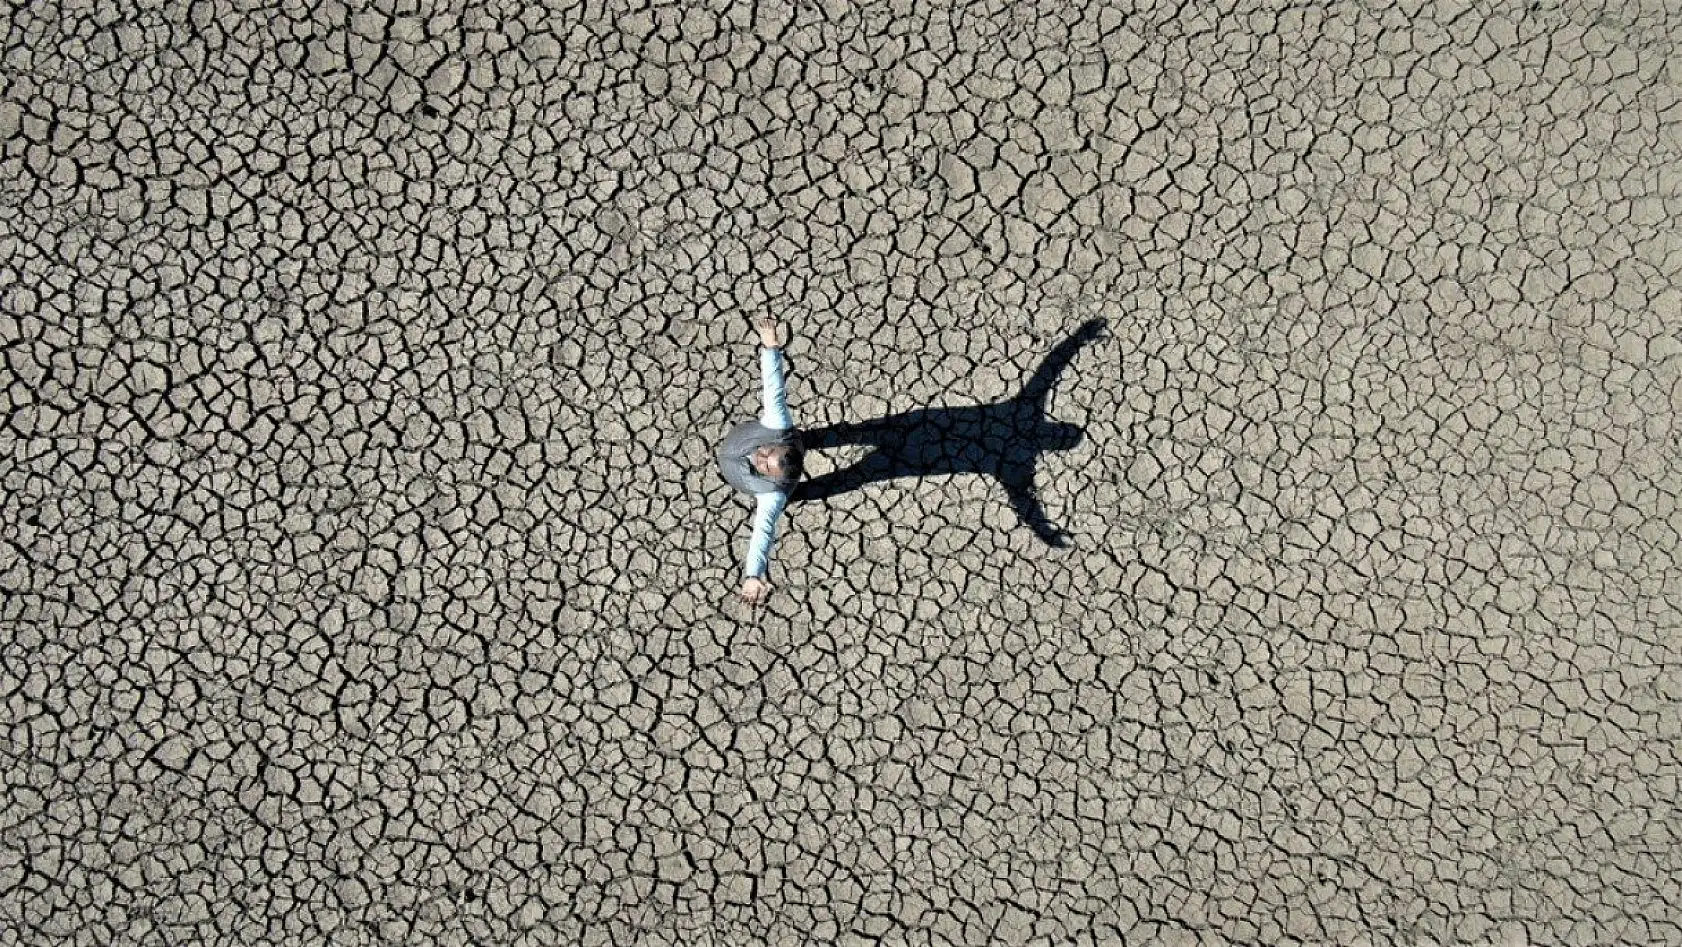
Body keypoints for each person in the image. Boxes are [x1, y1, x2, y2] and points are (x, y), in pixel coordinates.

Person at [716, 315, 805, 604]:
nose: (760, 459)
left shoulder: (774, 496)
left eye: (765, 468)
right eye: (767, 454)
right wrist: (771, 348)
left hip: (767, 482)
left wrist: (753, 574)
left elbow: (762, 535)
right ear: (778, 444)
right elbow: (773, 389)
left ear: (777, 480)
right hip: (787, 438)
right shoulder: (778, 427)